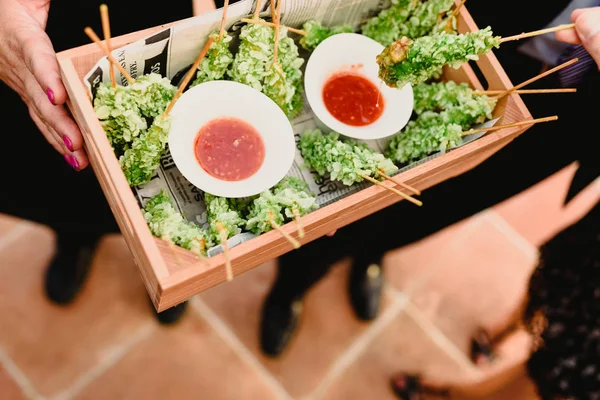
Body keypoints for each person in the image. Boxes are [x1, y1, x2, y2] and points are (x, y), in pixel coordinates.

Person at [260, 0, 600, 359]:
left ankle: (372, 249)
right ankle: (294, 280)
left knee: (446, 201)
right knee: (364, 180)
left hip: (576, 108)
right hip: (484, 20)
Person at [389, 5, 600, 398]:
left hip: (573, 114)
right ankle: (305, 269)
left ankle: (371, 251)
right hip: (498, 30)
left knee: (454, 198)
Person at [0, 0, 195, 324]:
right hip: (53, 21)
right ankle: (76, 239)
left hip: (178, 15)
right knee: (66, 175)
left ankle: (169, 260)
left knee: (181, 174)